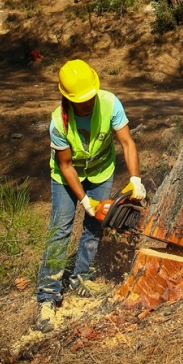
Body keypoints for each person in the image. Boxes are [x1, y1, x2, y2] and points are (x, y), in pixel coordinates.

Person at [35, 59, 146, 333]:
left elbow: (127, 142)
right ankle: (47, 295)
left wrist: (135, 178)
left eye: (89, 98)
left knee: (96, 224)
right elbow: (66, 165)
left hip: (101, 170)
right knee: (60, 229)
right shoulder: (57, 123)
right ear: (67, 97)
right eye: (81, 101)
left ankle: (81, 276)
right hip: (67, 177)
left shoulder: (110, 103)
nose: (87, 103)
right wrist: (85, 201)